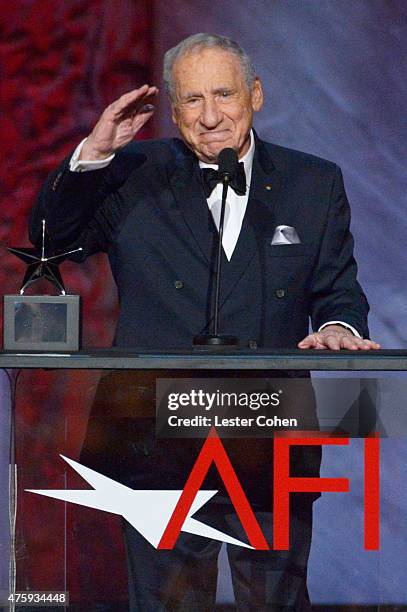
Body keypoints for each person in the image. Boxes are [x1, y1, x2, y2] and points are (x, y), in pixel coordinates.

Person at [30, 33, 380, 611]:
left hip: (269, 441)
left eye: (224, 94)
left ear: (256, 95)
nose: (211, 116)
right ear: (173, 109)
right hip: (153, 442)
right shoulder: (130, 171)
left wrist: (340, 329)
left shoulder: (311, 182)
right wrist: (93, 154)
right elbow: (49, 242)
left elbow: (337, 288)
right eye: (193, 100)